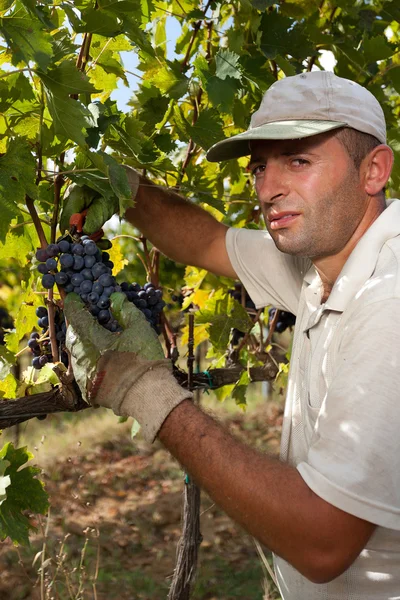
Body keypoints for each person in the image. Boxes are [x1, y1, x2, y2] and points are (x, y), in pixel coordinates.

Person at [64, 71, 400, 599]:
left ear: (373, 170)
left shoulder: (389, 300)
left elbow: (322, 543)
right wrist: (125, 189)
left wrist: (148, 394)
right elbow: (209, 242)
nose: (268, 189)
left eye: (299, 160)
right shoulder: (323, 262)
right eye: (260, 167)